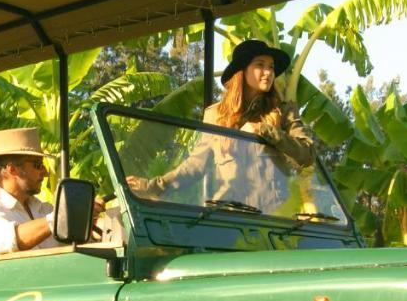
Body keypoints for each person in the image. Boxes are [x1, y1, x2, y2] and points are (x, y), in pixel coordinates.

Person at [126, 39, 314, 210]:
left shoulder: (283, 111)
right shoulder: (215, 115)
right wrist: (151, 187)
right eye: (260, 65)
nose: (268, 73)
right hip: (228, 220)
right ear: (242, 71)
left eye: (271, 67)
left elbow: (307, 154)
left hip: (274, 223)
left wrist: (266, 131)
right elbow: (195, 166)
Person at [0, 127, 62, 256]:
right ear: (12, 170)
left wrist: (91, 217)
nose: (45, 173)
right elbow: (12, 240)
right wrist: (58, 219)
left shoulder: (44, 209)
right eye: (38, 165)